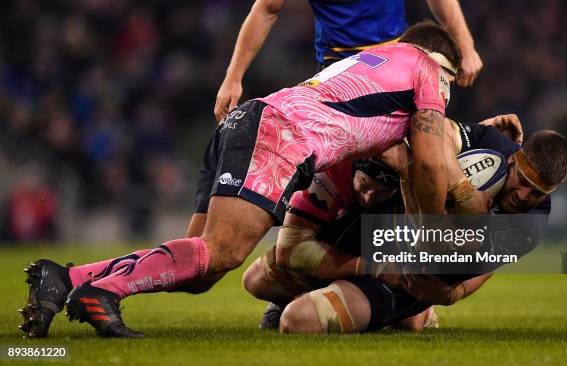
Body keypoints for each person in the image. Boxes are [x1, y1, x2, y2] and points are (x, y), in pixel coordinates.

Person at [20, 21, 488, 338]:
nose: (446, 95)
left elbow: (398, 151)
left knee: (199, 266)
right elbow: (428, 162)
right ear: (442, 65)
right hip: (278, 137)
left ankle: (65, 279)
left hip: (252, 121)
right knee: (221, 253)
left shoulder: (376, 64)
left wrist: (488, 132)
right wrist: (434, 232)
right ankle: (103, 292)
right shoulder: (426, 69)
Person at [241, 119, 567, 333]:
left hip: (413, 280)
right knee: (255, 279)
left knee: (296, 321)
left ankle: (411, 310)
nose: (523, 195)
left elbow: (450, 249)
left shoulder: (529, 227)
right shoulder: (493, 144)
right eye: (523, 181)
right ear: (515, 157)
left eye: (537, 193)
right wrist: (462, 189)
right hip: (380, 242)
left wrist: (452, 293)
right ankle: (405, 316)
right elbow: (436, 128)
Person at [214, 0, 483, 122]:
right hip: (342, 71)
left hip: (398, 65)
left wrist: (466, 47)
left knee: (417, 159)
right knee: (348, 177)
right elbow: (265, 10)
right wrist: (233, 77)